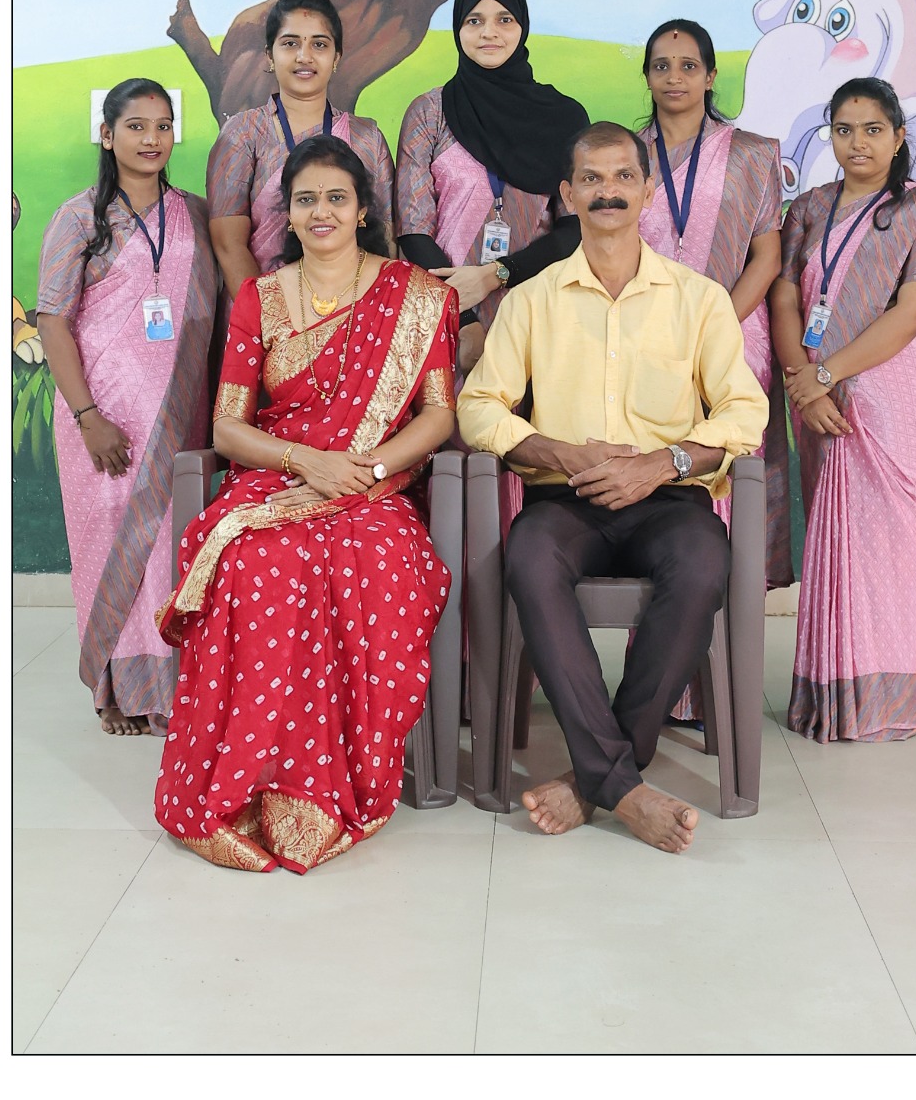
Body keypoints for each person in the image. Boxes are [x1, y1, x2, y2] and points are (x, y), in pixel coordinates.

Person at [458, 122, 769, 852]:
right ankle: (625, 786)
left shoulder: (698, 299)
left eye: (623, 177)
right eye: (591, 179)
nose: (608, 192)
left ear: (647, 191)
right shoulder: (532, 300)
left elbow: (744, 412)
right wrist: (559, 451)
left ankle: (593, 779)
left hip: (669, 496)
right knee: (529, 559)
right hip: (565, 500)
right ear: (567, 195)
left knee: (704, 562)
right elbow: (479, 407)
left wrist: (662, 464)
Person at [154, 135, 458, 872]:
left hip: (372, 486)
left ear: (362, 211)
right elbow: (228, 428)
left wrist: (369, 466)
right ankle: (245, 784)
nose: (322, 212)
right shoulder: (259, 298)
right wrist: (307, 462)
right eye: (306, 200)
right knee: (255, 565)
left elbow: (439, 413)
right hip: (279, 480)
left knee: (379, 562)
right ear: (287, 214)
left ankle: (320, 790)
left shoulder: (417, 296)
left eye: (336, 198)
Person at [769, 78, 916, 743]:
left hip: (894, 392)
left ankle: (893, 699)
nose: (856, 143)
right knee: (839, 540)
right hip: (818, 395)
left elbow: (915, 310)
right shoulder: (809, 209)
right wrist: (802, 380)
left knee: (894, 541)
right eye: (843, 129)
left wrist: (825, 374)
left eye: (871, 130)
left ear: (898, 137)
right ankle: (831, 696)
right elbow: (783, 297)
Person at [37, 79, 218, 736]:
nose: (152, 139)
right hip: (104, 417)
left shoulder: (194, 212)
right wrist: (88, 418)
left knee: (171, 548)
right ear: (107, 134)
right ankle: (112, 691)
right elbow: (53, 321)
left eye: (163, 125)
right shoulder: (78, 218)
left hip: (180, 410)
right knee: (111, 548)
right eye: (136, 126)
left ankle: (171, 689)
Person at [636, 17, 791, 720]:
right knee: (662, 487)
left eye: (688, 65)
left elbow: (767, 254)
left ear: (710, 74)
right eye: (661, 65)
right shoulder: (627, 155)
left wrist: (715, 327)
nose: (675, 77)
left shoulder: (754, 153)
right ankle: (660, 689)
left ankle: (723, 684)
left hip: (733, 334)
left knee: (724, 485)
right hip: (645, 341)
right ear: (647, 75)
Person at [395, 0, 589, 381]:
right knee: (440, 420)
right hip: (443, 314)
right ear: (458, 29)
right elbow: (412, 231)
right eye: (474, 21)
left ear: (522, 27)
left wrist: (495, 275)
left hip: (533, 311)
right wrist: (463, 318)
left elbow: (573, 229)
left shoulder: (564, 118)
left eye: (504, 19)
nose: (489, 33)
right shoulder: (430, 112)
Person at [206, 0, 395, 299]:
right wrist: (272, 316)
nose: (304, 56)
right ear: (270, 55)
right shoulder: (242, 134)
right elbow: (228, 244)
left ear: (336, 58)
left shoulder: (367, 138)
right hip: (259, 313)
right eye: (290, 43)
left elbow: (385, 237)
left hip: (352, 311)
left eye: (319, 44)